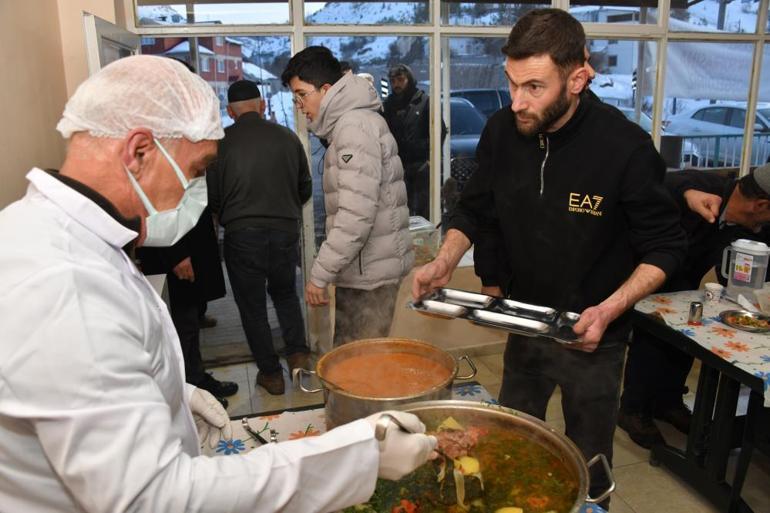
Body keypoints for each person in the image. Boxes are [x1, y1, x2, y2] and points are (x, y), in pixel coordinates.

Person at [0, 55, 436, 513]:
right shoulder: (66, 286)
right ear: (139, 152)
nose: (197, 191)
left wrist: (170, 392)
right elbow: (157, 499)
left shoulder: (42, 234)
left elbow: (85, 379)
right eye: (196, 171)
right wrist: (358, 459)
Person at [412, 9, 686, 508]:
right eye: (512, 84)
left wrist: (608, 310)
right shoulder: (502, 130)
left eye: (534, 87)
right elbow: (476, 209)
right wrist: (444, 261)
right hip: (526, 320)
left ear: (578, 77)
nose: (517, 102)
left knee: (587, 460)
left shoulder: (624, 148)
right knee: (514, 441)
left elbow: (666, 247)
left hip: (594, 337)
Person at [618, 165, 770, 448]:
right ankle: (632, 409)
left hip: (686, 280)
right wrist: (686, 193)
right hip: (644, 271)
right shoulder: (701, 185)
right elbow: (651, 179)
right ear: (761, 204)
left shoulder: (757, 227)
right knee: (652, 337)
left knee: (686, 338)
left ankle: (669, 402)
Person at [281, 47, 414, 346]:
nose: (300, 106)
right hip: (366, 270)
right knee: (360, 362)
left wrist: (320, 273)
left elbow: (356, 217)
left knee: (356, 370)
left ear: (326, 90)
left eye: (302, 95)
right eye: (295, 98)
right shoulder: (354, 122)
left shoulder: (353, 127)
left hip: (369, 278)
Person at [206, 79, 312, 396]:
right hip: (284, 232)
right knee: (286, 296)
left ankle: (271, 375)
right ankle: (298, 359)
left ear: (230, 111)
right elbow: (304, 188)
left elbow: (212, 197)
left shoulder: (220, 144)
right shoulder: (287, 137)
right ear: (262, 105)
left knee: (251, 307)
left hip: (242, 235)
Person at [137, 205, 238, 407]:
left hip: (188, 248)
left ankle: (196, 379)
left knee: (189, 323)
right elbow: (157, 209)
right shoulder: (159, 173)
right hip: (172, 255)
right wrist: (176, 254)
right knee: (180, 327)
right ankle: (188, 392)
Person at [382, 64, 435, 219]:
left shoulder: (424, 102)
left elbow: (439, 132)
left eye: (400, 79)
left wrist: (430, 158)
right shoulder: (388, 106)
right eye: (393, 81)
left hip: (421, 167)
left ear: (409, 79)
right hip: (395, 167)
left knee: (423, 211)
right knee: (397, 212)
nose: (396, 84)